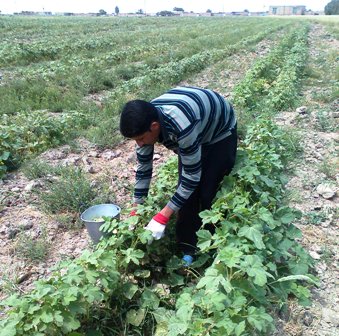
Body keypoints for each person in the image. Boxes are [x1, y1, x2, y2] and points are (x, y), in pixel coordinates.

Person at [120, 86, 237, 265]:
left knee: (209, 191)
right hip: (195, 122)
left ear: (154, 127)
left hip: (219, 130)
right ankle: (188, 247)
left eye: (141, 138)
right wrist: (136, 209)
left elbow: (191, 177)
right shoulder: (146, 125)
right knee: (187, 198)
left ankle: (213, 243)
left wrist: (163, 216)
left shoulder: (182, 126)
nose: (139, 143)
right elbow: (143, 169)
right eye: (136, 140)